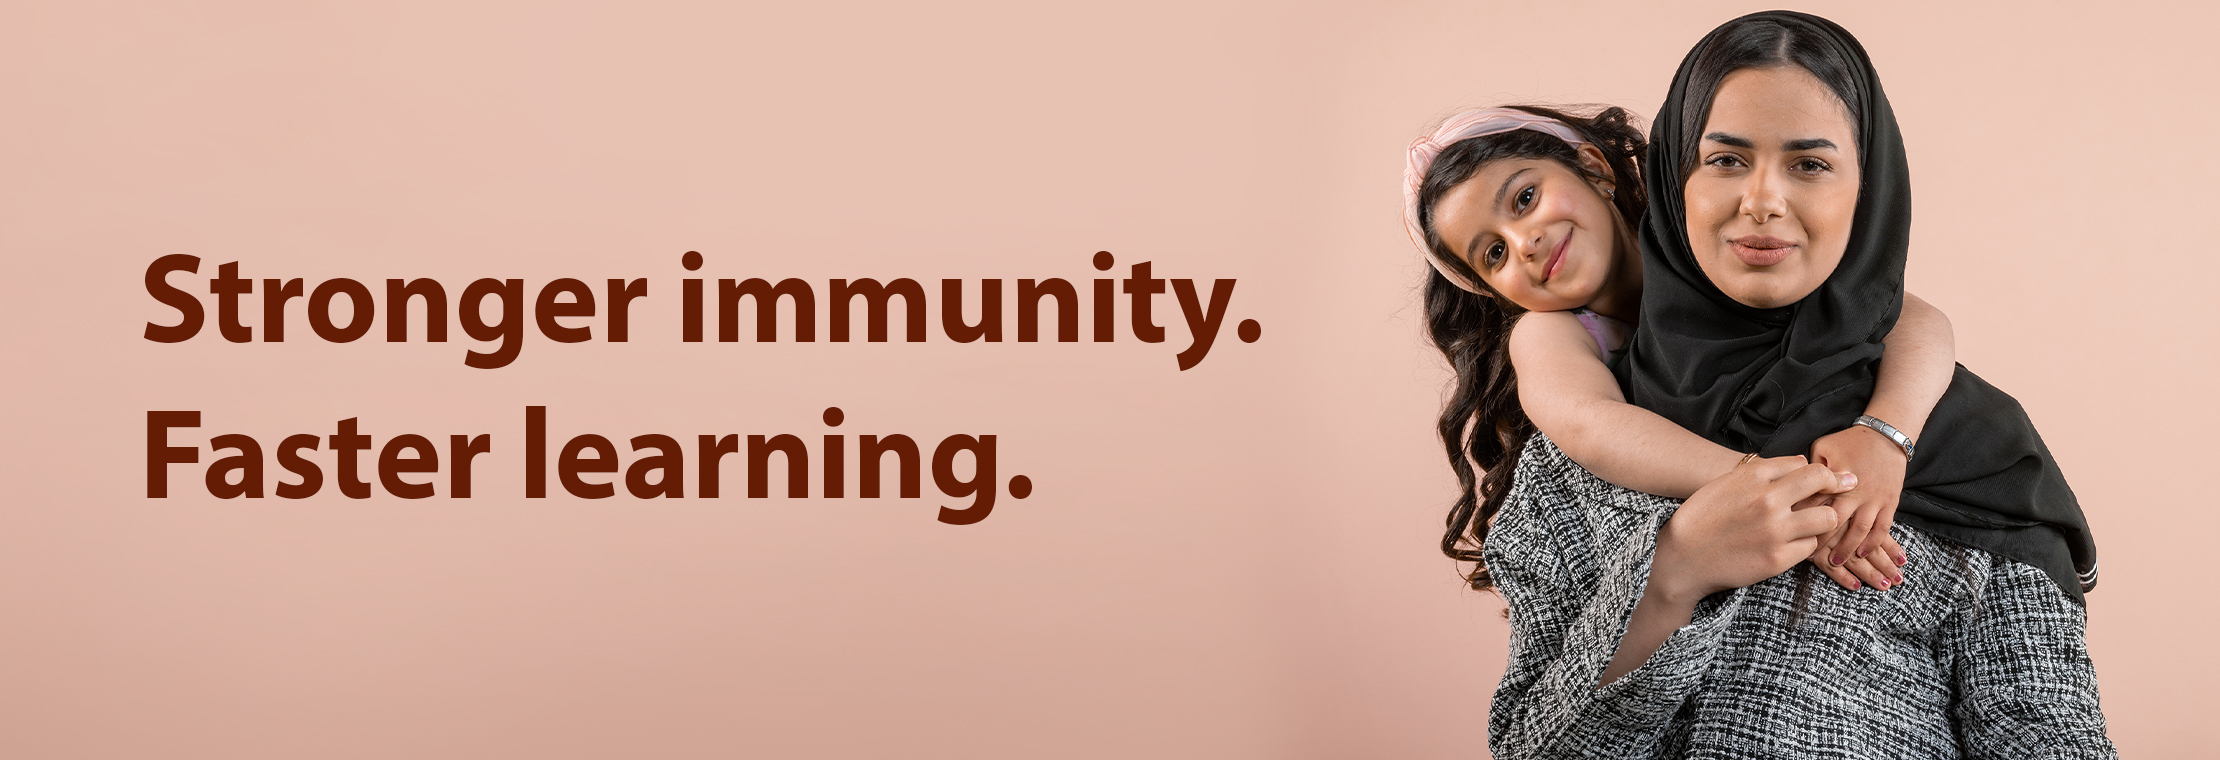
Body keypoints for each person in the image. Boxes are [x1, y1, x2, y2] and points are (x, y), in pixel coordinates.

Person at [1478, 11, 2111, 757]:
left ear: (1868, 193)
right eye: (1725, 160)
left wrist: (1886, 434)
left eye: (1810, 164)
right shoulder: (1579, 454)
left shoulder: (1970, 451)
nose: (1763, 201)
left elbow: (2050, 740)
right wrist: (1671, 576)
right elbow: (1530, 749)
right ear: (1677, 177)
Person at [1405, 104, 1948, 593]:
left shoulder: (1709, 241)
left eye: (1526, 199)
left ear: (1594, 168)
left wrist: (1885, 434)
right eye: (1494, 253)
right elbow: (1589, 423)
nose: (1524, 244)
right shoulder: (1554, 332)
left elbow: (1907, 316)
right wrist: (1780, 488)